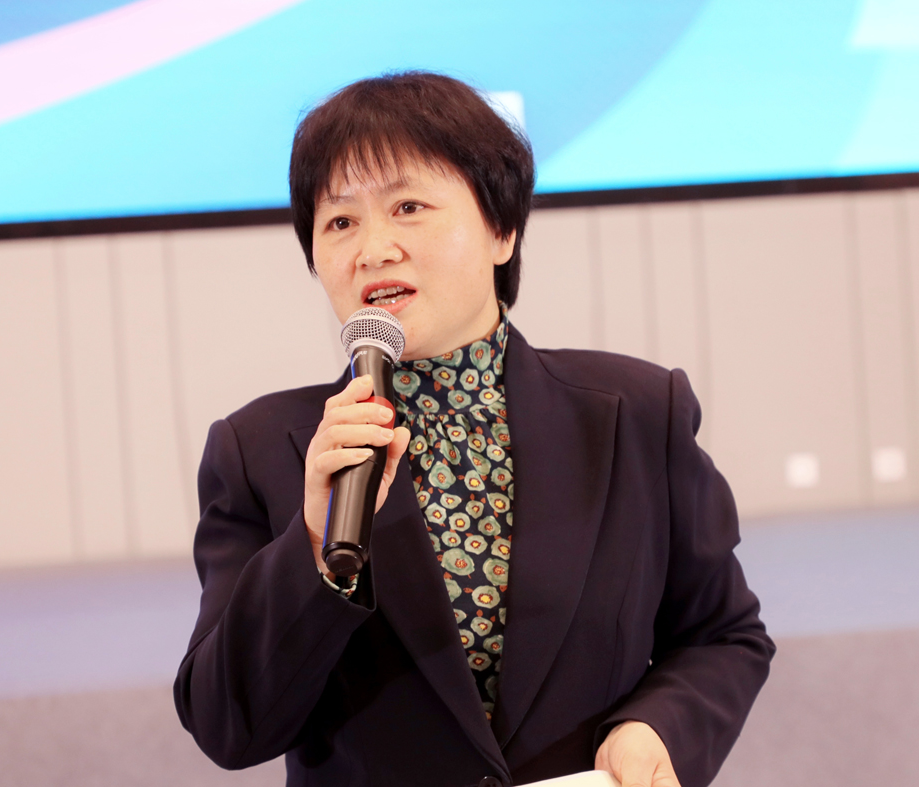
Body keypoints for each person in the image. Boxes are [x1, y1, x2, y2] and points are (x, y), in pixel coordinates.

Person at [173, 71, 774, 787]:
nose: (373, 248)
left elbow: (721, 633)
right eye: (339, 222)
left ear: (501, 229)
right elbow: (228, 726)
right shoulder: (261, 450)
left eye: (408, 206)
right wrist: (311, 548)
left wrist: (657, 727)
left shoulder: (638, 411)